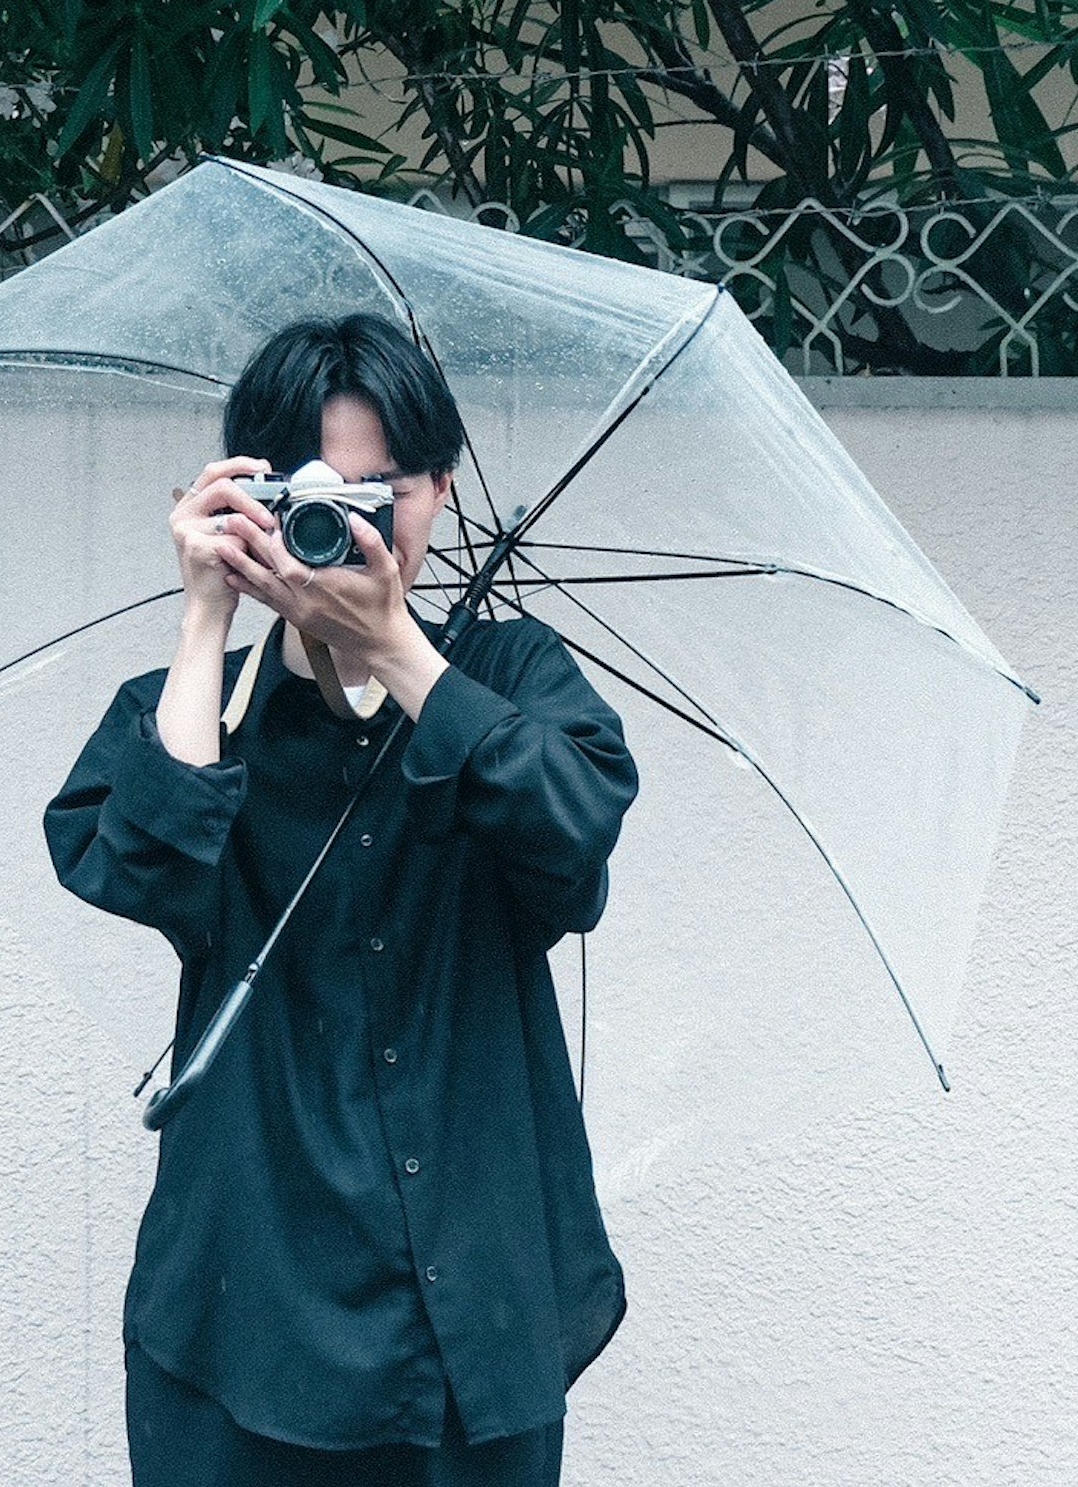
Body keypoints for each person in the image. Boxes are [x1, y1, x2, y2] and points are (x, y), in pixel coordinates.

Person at [44, 312, 639, 1486]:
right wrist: (207, 613)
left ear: (442, 491)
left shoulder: (513, 680)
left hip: (480, 1311)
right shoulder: (201, 703)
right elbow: (142, 871)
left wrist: (407, 658)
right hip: (244, 1309)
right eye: (318, 490)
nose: (355, 521)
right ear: (250, 497)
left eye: (389, 489)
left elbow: (573, 849)